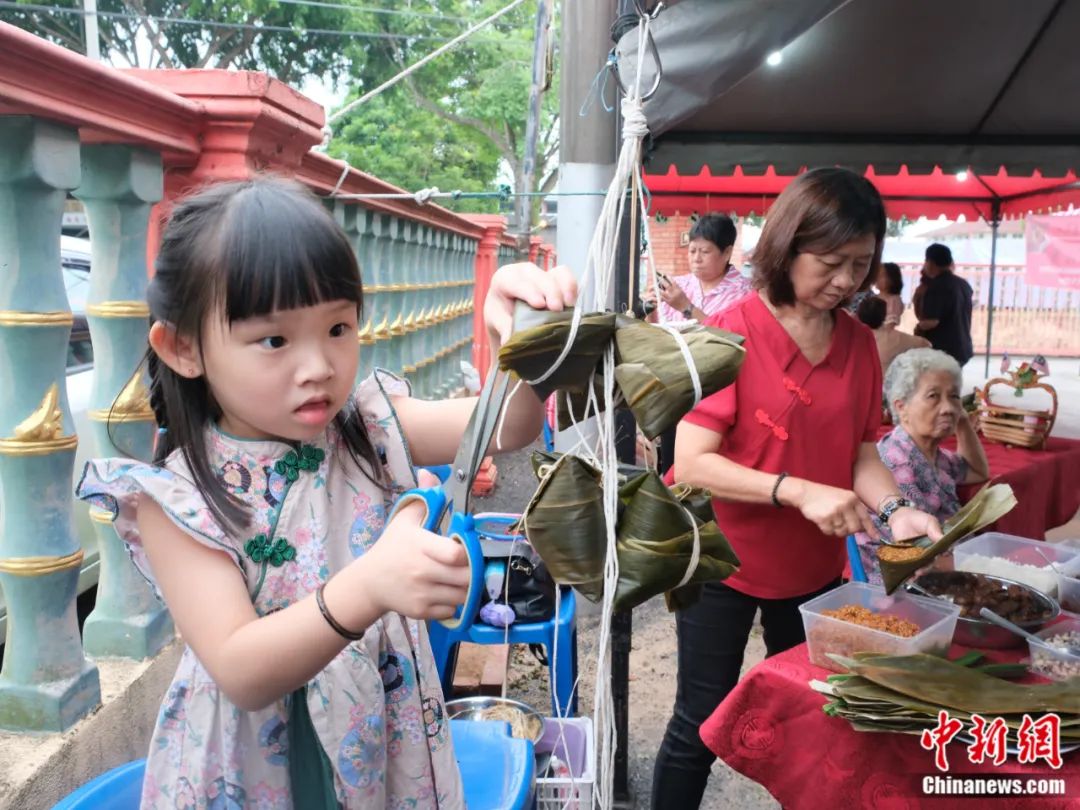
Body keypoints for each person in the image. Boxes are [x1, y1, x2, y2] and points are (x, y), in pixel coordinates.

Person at [75, 177, 577, 808]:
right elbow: (241, 668)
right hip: (253, 766)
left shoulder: (366, 427)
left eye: (338, 327)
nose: (318, 366)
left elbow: (507, 426)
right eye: (275, 340)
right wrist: (369, 586)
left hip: (381, 741)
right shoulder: (175, 498)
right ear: (183, 348)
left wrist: (518, 336)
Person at [651, 168, 944, 810]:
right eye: (831, 263)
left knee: (812, 719)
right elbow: (692, 464)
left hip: (813, 571)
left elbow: (860, 451)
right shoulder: (727, 331)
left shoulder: (859, 346)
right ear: (787, 248)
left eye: (860, 265)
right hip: (721, 563)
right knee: (699, 721)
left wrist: (896, 508)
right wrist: (798, 490)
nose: (845, 281)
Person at [854, 348, 990, 585]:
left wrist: (962, 422)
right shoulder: (897, 464)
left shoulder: (932, 454)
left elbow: (977, 471)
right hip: (910, 585)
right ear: (901, 407)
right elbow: (922, 557)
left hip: (945, 568)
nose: (948, 408)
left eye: (954, 396)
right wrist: (990, 565)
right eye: (933, 396)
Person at [643, 213, 752, 473]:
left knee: (708, 464)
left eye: (705, 251)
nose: (696, 258)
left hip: (718, 393)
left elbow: (729, 340)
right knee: (670, 462)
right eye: (692, 250)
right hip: (675, 389)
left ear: (727, 253)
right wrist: (650, 310)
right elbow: (656, 333)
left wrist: (686, 307)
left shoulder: (745, 293)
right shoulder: (678, 285)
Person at [915, 243, 974, 366]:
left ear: (930, 263)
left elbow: (931, 322)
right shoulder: (963, 284)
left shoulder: (936, 287)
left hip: (943, 351)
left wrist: (918, 328)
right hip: (963, 347)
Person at [857, 295, 930, 375]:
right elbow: (926, 343)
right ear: (884, 315)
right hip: (885, 380)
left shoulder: (855, 338)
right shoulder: (895, 338)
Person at [875, 260, 905, 327]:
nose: (876, 278)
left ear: (892, 280)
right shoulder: (875, 297)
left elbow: (890, 325)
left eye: (881, 275)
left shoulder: (894, 301)